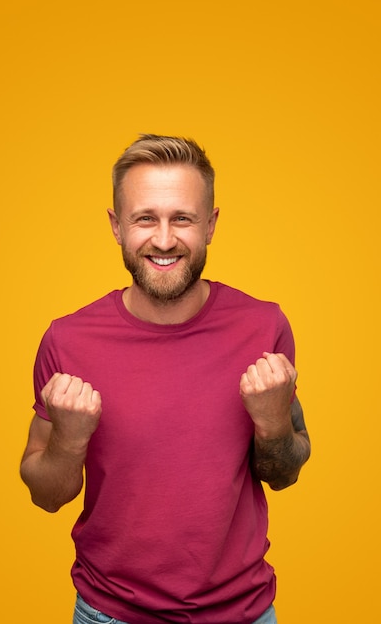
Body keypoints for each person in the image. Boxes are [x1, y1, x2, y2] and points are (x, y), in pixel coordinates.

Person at [20, 134, 310, 624]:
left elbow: (285, 473)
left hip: (243, 613)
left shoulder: (264, 327)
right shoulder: (67, 340)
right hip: (109, 614)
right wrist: (69, 442)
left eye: (182, 218)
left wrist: (272, 423)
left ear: (211, 225)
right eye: (144, 218)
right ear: (116, 227)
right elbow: (46, 496)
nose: (163, 239)